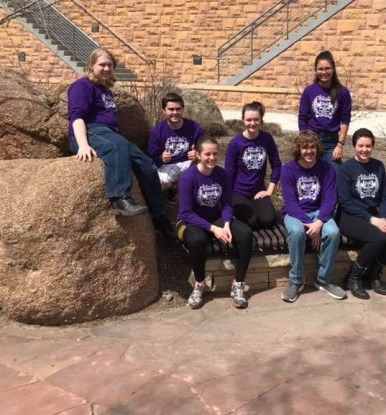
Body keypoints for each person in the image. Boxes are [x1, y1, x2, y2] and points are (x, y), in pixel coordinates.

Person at [67, 48, 175, 241]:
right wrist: (82, 145)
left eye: (110, 65)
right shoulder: (82, 86)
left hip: (111, 134)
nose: (106, 68)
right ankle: (119, 199)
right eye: (102, 64)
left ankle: (158, 216)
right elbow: (77, 116)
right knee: (117, 146)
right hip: (91, 132)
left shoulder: (106, 90)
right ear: (91, 66)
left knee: (146, 164)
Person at [177, 137, 254, 310]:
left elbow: (227, 204)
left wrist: (226, 224)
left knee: (245, 233)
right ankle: (200, 284)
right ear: (197, 155)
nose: (212, 158)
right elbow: (186, 212)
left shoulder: (222, 174)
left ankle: (238, 283)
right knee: (197, 240)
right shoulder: (188, 178)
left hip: (216, 217)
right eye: (207, 154)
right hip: (192, 220)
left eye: (215, 153)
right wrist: (214, 229)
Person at [337, 128, 386, 299]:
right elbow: (344, 202)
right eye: (360, 145)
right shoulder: (346, 169)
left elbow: (384, 196)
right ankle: (353, 278)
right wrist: (371, 219)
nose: (364, 149)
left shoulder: (378, 166)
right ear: (354, 146)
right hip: (348, 217)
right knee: (378, 238)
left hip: (373, 216)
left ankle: (373, 274)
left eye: (368, 146)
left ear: (373, 147)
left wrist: (383, 217)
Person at [280, 130, 345, 302]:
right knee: (296, 232)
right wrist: (311, 225)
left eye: (312, 147)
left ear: (318, 148)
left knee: (332, 232)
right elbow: (290, 203)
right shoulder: (288, 169)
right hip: (295, 213)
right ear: (298, 149)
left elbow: (331, 200)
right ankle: (296, 280)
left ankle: (324, 280)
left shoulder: (327, 169)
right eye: (304, 147)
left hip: (319, 212)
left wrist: (319, 222)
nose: (309, 151)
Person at [224, 101, 281, 230]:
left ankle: (255, 208)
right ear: (243, 120)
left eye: (256, 119)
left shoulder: (266, 139)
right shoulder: (235, 143)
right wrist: (227, 199)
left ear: (261, 119)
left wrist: (269, 191)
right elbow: (229, 173)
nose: (252, 123)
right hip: (238, 192)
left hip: (258, 191)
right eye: (248, 120)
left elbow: (276, 165)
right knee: (252, 222)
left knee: (269, 221)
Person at [298, 51, 352, 167]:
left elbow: (345, 119)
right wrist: (304, 141)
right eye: (320, 69)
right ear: (316, 70)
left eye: (327, 68)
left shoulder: (343, 92)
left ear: (333, 69)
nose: (324, 72)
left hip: (331, 143)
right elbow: (302, 117)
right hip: (311, 140)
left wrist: (340, 145)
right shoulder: (309, 91)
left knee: (336, 175)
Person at [147, 92, 204, 198]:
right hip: (168, 166)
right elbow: (151, 156)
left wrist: (198, 154)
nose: (175, 112)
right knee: (156, 185)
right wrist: (161, 158)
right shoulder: (157, 131)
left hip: (190, 163)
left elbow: (206, 149)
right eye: (171, 109)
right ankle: (172, 190)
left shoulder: (195, 128)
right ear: (164, 110)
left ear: (182, 109)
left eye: (178, 109)